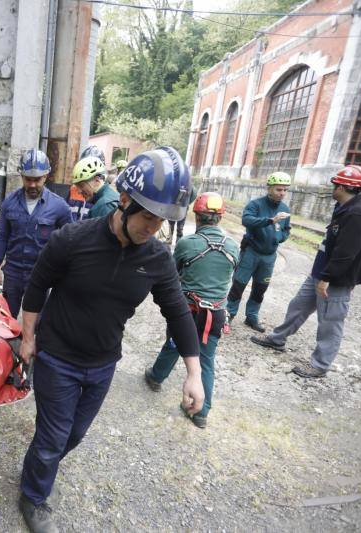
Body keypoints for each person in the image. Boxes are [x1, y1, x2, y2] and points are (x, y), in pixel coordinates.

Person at [16, 147, 205, 532]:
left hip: (103, 365)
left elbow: (178, 313)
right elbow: (37, 286)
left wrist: (194, 372)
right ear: (124, 201)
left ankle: (38, 462)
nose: (153, 228)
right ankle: (33, 496)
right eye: (149, 216)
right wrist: (27, 337)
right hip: (57, 358)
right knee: (53, 438)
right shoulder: (73, 239)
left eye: (163, 221)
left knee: (73, 435)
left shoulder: (156, 258)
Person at [251, 165, 361, 379]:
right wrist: (320, 274)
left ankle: (320, 364)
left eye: (335, 184)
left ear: (344, 187)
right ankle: (277, 339)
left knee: (330, 321)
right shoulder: (345, 206)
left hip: (335, 279)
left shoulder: (358, 213)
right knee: (298, 306)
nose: (333, 188)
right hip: (321, 273)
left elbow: (347, 253)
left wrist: (327, 278)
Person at [145, 192, 239, 429]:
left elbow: (173, 274)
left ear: (196, 216)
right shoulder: (232, 247)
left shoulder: (188, 244)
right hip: (215, 313)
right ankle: (201, 413)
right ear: (220, 218)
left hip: (188, 309)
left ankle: (156, 377)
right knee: (206, 360)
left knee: (175, 345)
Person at [0, 149, 70, 318]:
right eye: (28, 179)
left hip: (40, 273)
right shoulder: (9, 203)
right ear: (22, 176)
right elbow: (2, 235)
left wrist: (63, 271)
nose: (33, 184)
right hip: (13, 272)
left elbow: (69, 241)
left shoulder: (59, 207)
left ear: (46, 176)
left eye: (37, 179)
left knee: (37, 320)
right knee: (6, 318)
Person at [225, 172, 292, 332]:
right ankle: (229, 314)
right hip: (251, 251)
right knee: (238, 284)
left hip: (269, 256)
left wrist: (280, 237)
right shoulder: (256, 204)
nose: (282, 193)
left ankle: (252, 316)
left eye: (285, 190)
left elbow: (287, 229)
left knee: (261, 287)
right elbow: (246, 220)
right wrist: (270, 220)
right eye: (278, 189)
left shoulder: (284, 208)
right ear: (269, 188)